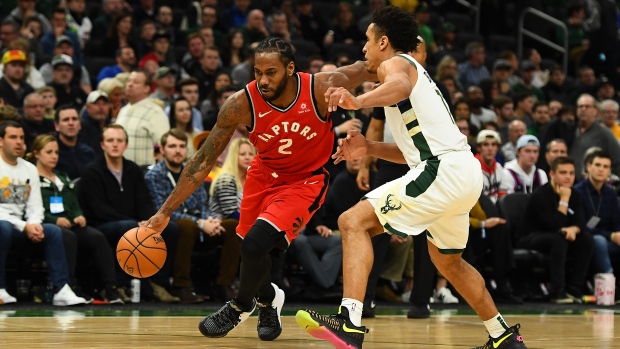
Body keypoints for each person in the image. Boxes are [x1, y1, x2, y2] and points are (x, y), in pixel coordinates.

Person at [296, 7, 527, 349]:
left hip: (443, 170)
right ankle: (502, 336)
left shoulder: (397, 65)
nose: (364, 49)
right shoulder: (410, 76)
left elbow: (400, 86)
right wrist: (369, 146)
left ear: (384, 42)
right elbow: (412, 153)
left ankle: (349, 322)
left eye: (368, 41)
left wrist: (356, 101)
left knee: (352, 221)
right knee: (448, 261)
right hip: (460, 171)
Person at [145, 36, 374, 341]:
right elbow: (202, 161)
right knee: (251, 252)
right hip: (263, 175)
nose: (263, 80)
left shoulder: (320, 87)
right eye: (257, 72)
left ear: (290, 68)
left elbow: (367, 66)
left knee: (253, 246)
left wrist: (409, 69)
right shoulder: (240, 104)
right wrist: (164, 213)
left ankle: (239, 306)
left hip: (305, 181)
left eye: (271, 72)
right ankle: (269, 300)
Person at [77, 124, 180, 302]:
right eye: (110, 140)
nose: (115, 144)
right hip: (102, 225)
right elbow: (99, 209)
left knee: (170, 228)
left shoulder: (133, 170)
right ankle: (120, 285)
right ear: (102, 144)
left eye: (119, 141)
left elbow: (144, 202)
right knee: (128, 228)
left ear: (126, 145)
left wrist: (149, 221)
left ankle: (159, 283)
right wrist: (136, 223)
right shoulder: (91, 171)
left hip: (133, 223)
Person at [145, 129, 239, 303]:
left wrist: (210, 221)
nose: (178, 150)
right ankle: (181, 286)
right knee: (186, 225)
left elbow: (204, 204)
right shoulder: (154, 175)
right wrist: (201, 223)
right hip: (174, 227)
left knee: (232, 225)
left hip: (200, 226)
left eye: (182, 146)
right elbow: (162, 211)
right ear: (163, 150)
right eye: (172, 146)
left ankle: (224, 284)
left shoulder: (193, 171)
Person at [0, 121, 86, 306]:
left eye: (21, 138)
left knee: (53, 231)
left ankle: (62, 289)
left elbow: (35, 206)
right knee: (3, 227)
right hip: (6, 226)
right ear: (1, 141)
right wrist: (25, 225)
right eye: (12, 137)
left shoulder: (29, 169)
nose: (19, 142)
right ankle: (0, 288)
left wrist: (35, 225)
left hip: (23, 227)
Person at [30, 134, 123, 304]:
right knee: (67, 237)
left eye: (56, 152)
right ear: (36, 154)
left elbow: (74, 203)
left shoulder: (63, 177)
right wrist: (54, 220)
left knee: (97, 237)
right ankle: (69, 287)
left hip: (70, 224)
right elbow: (31, 207)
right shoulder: (31, 177)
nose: (54, 156)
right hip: (46, 226)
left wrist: (79, 215)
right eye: (49, 152)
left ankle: (111, 289)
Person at [517, 157, 594, 303]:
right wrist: (564, 200)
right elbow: (553, 224)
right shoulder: (541, 194)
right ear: (552, 174)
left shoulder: (576, 194)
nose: (568, 177)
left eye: (571, 173)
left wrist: (574, 229)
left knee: (587, 240)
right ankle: (557, 291)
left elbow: (580, 222)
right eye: (563, 173)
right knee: (558, 239)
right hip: (530, 237)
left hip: (558, 235)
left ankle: (574, 288)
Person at [574, 151, 620, 276]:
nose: (601, 170)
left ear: (610, 171)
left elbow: (616, 224)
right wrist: (611, 235)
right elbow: (581, 226)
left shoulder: (610, 193)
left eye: (605, 167)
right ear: (589, 167)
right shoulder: (578, 192)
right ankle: (608, 283)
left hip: (606, 240)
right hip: (585, 239)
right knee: (599, 241)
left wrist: (617, 234)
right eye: (598, 165)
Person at [116, 70, 170, 166]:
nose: (130, 84)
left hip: (145, 171)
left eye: (136, 82)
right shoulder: (123, 110)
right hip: (123, 170)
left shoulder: (155, 112)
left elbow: (164, 145)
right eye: (129, 81)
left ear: (146, 88)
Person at [54, 105, 95, 180]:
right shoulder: (53, 154)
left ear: (79, 124)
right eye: (66, 120)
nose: (71, 123)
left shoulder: (88, 152)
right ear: (57, 126)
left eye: (74, 119)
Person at [476, 130, 511, 203]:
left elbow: (504, 193)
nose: (490, 149)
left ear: (497, 148)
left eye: (493, 144)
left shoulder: (498, 167)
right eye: (486, 144)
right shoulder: (472, 168)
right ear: (479, 148)